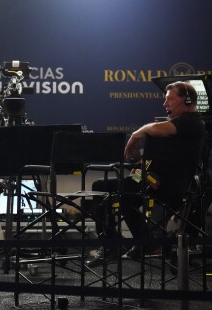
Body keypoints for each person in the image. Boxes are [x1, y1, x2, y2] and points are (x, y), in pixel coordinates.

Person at [87, 81, 205, 265]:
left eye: (170, 100)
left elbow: (156, 129)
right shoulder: (175, 124)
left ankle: (128, 244)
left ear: (187, 100)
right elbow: (163, 154)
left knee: (113, 191)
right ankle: (140, 241)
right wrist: (140, 165)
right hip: (148, 177)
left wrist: (134, 136)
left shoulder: (192, 122)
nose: (165, 104)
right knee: (104, 189)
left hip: (165, 184)